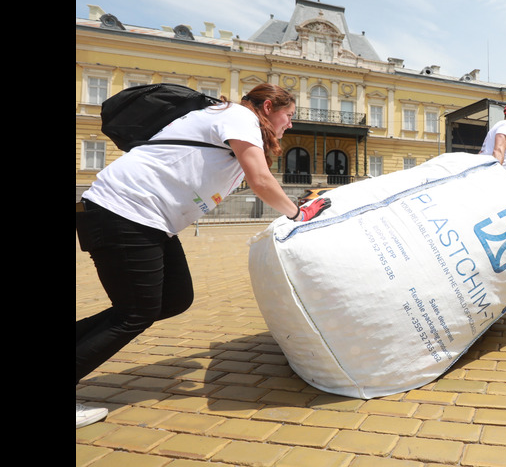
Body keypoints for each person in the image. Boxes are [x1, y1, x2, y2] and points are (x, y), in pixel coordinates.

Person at [75, 84, 329, 429]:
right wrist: (298, 214)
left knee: (174, 299)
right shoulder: (239, 116)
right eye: (289, 115)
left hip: (148, 221)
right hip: (124, 212)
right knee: (135, 313)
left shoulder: (231, 121)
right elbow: (261, 180)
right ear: (268, 107)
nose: (291, 124)